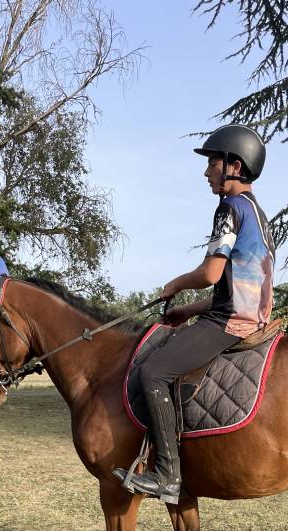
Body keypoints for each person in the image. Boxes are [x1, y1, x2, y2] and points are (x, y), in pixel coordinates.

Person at [115, 124, 275, 504]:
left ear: (234, 166)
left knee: (154, 372)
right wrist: (187, 310)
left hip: (230, 323)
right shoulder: (258, 215)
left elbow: (210, 274)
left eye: (212, 164)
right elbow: (236, 288)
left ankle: (167, 475)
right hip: (248, 315)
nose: (206, 172)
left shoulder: (230, 208)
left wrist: (175, 284)